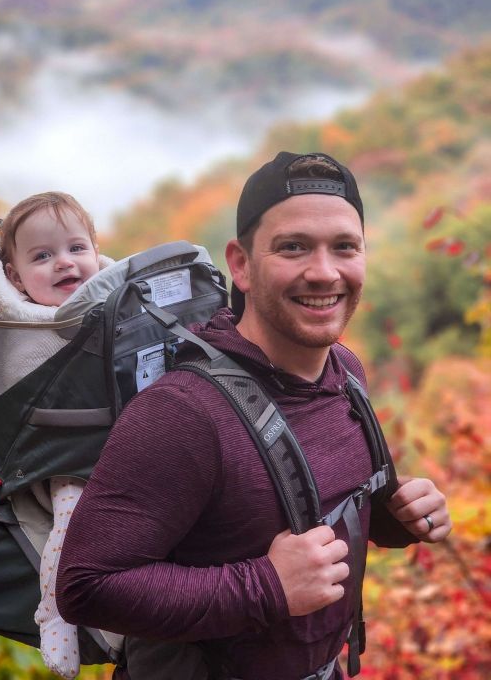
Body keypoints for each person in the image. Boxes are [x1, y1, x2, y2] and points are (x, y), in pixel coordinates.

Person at [55, 153, 452, 680]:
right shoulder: (183, 413)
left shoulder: (345, 371)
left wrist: (394, 518)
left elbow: (304, 509)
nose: (324, 272)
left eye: (344, 247)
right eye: (293, 247)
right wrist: (267, 585)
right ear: (240, 264)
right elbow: (86, 586)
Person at [0, 191, 113, 679]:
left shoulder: (116, 304)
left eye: (76, 248)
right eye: (42, 256)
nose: (64, 263)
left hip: (120, 445)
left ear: (96, 252)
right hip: (61, 459)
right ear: (15, 278)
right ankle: (56, 608)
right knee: (73, 521)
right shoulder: (22, 326)